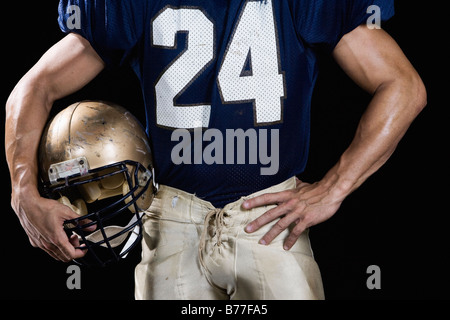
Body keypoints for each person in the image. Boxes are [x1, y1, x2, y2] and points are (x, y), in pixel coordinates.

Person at [5, 0, 426, 300]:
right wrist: (23, 192)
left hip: (270, 222)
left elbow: (404, 87)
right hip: (171, 218)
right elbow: (34, 87)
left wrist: (334, 188)